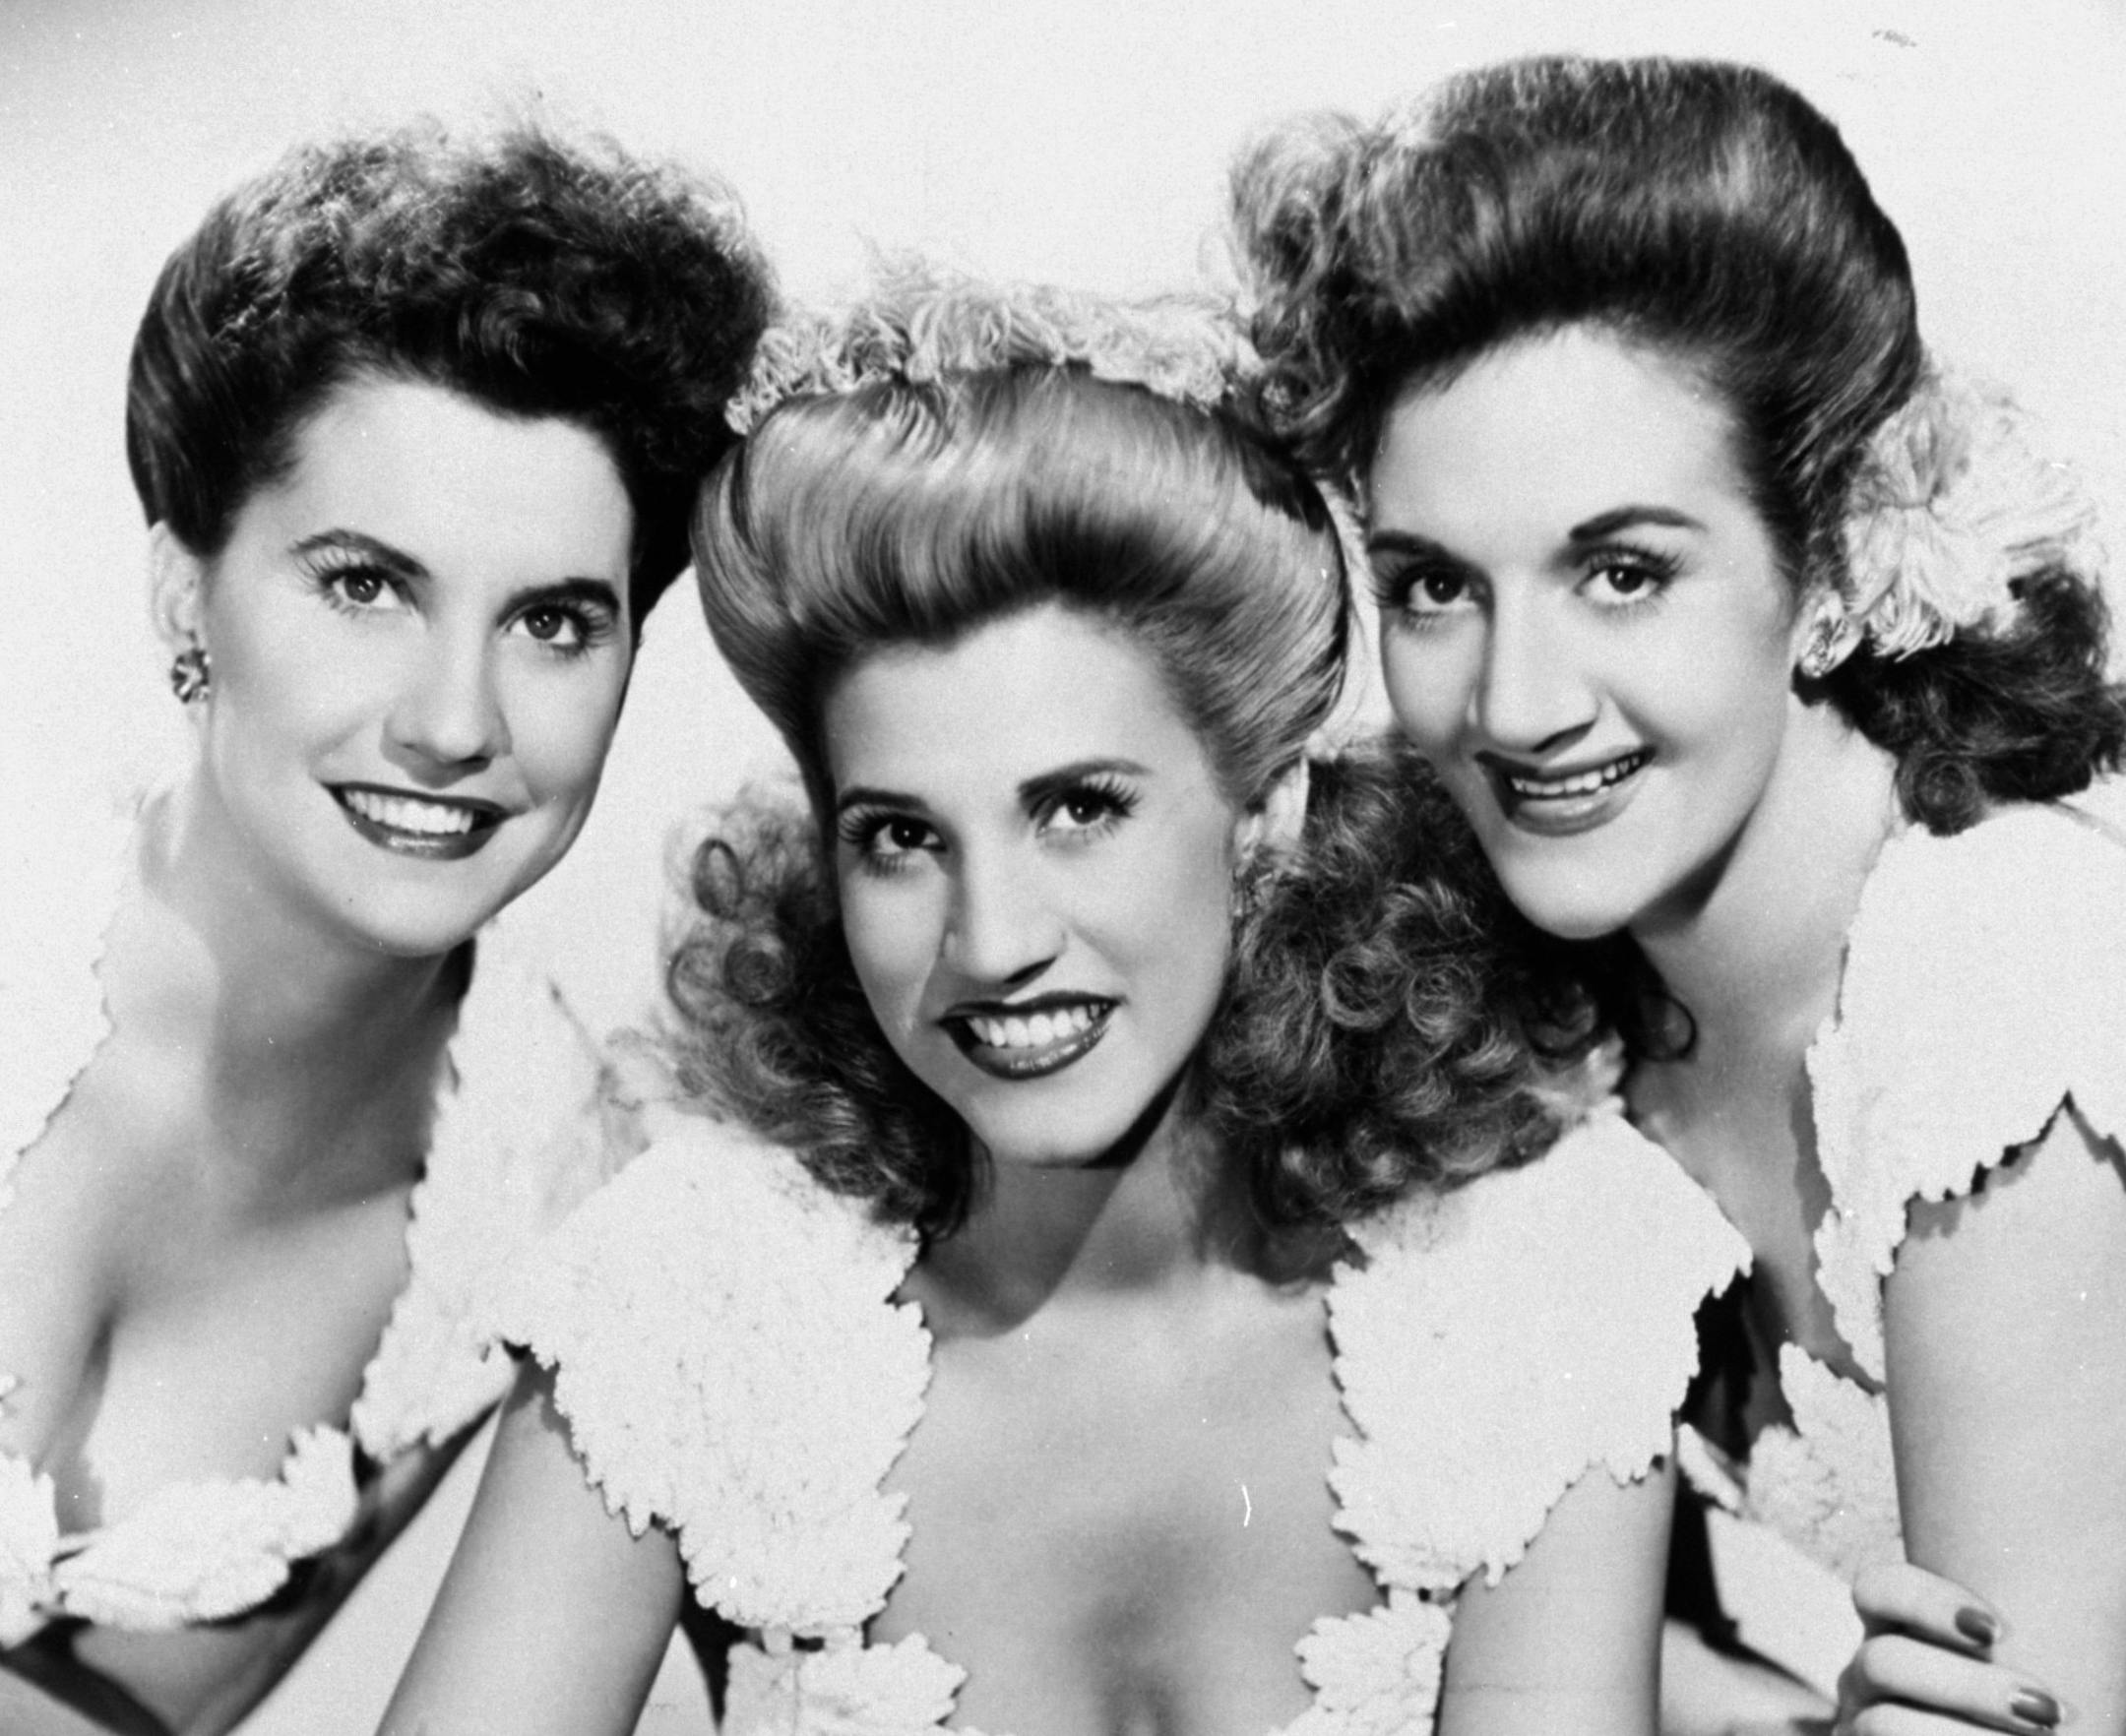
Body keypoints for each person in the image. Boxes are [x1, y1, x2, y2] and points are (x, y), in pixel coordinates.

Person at [380, 276, 1746, 1736]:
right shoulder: (689, 1297)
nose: (993, 940)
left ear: (1268, 812)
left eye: (1080, 809)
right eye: (902, 837)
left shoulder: (1534, 1276)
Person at [1232, 52, 2126, 1735]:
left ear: (1828, 556)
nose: (1514, 706)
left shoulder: (1997, 969)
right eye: (1434, 588)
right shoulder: (1578, 1012)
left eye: (1623, 572)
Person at [0, 121, 772, 1734]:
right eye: (365, 586)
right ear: (183, 591)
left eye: (552, 622)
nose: (452, 723)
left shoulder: (550, 1189)